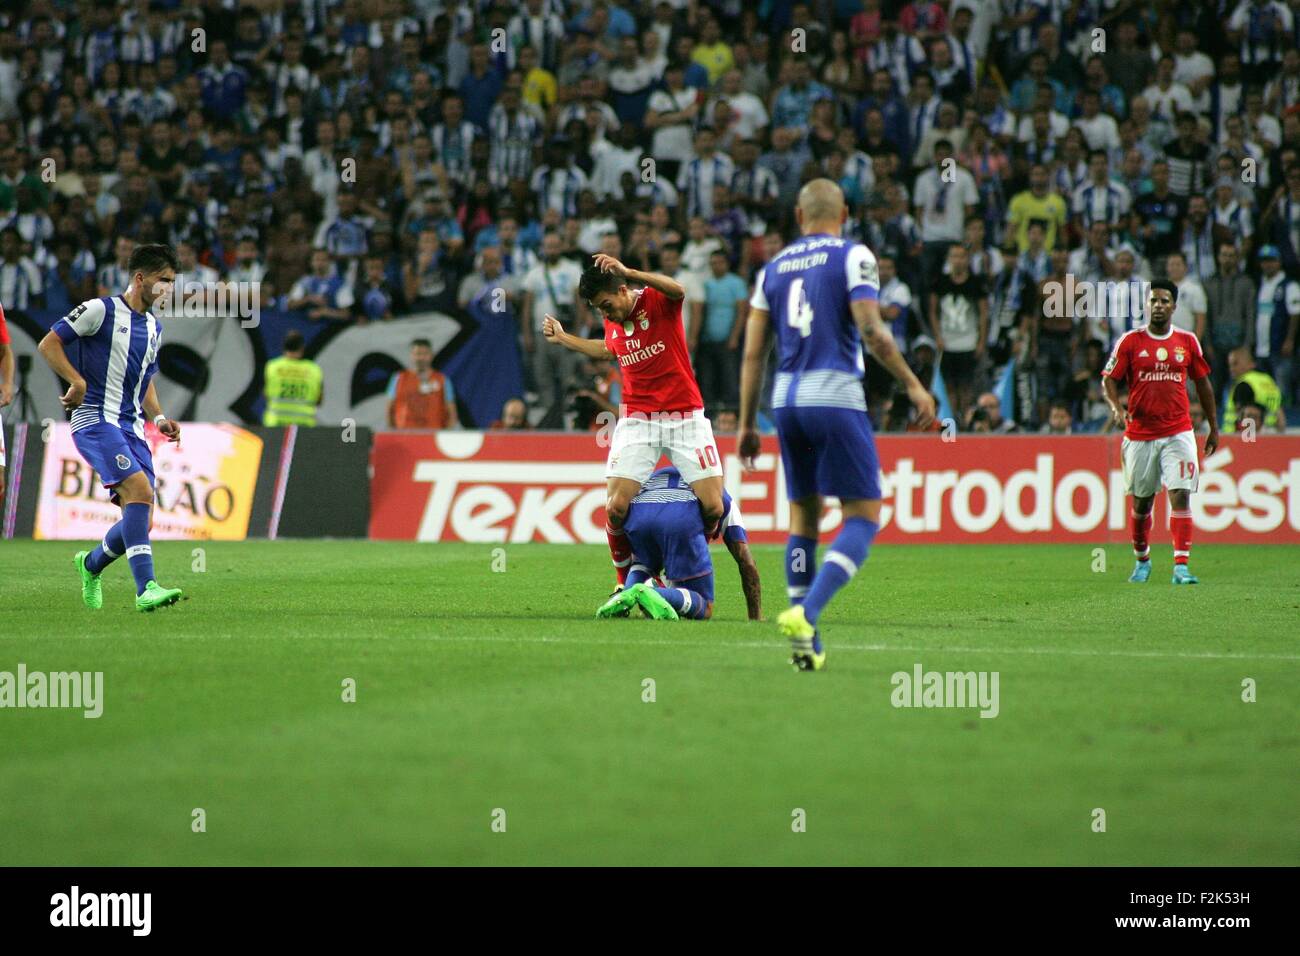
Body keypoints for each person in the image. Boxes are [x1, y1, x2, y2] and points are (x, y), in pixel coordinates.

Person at [737, 179, 936, 671]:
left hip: (785, 400)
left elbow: (751, 354)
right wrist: (912, 383)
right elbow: (871, 329)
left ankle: (805, 639)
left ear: (799, 217)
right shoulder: (854, 256)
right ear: (843, 212)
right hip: (836, 396)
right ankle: (806, 611)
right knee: (864, 515)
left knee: (803, 517)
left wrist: (745, 422)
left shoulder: (772, 270)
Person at [543, 253, 726, 588]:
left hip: (684, 416)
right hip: (638, 419)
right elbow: (608, 349)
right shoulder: (613, 318)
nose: (604, 312)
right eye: (598, 307)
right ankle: (625, 579)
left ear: (625, 289)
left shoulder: (656, 301)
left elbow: (678, 289)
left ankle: (685, 552)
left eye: (606, 304)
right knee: (615, 507)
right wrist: (563, 337)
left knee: (714, 507)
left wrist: (631, 271)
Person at [36, 243, 184, 612]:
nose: (169, 288)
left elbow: (145, 378)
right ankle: (146, 588)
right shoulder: (99, 310)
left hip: (132, 427)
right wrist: (76, 381)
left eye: (173, 282)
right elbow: (48, 344)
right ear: (140, 278)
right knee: (137, 488)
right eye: (163, 280)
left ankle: (90, 565)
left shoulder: (154, 328)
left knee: (142, 518)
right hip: (95, 419)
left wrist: (160, 418)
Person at [1102, 279, 1220, 585]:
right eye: (1153, 300)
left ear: (1174, 306)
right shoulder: (1130, 341)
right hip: (1140, 434)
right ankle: (1142, 560)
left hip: (1178, 431)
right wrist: (1116, 408)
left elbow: (1203, 384)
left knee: (1180, 494)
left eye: (1164, 301)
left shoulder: (1187, 341)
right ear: (1146, 304)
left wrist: (1213, 427)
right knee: (1142, 503)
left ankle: (1181, 566)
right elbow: (1108, 380)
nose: (1158, 306)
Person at [595, 466, 761, 622]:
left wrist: (622, 579)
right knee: (704, 605)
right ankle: (652, 591)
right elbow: (746, 561)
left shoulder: (651, 480)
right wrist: (756, 616)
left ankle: (626, 593)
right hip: (681, 523)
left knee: (644, 562)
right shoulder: (720, 497)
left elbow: (613, 525)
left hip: (640, 517)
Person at [387, 338, 457, 429]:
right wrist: (394, 433)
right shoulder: (398, 379)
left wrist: (443, 437)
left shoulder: (443, 380)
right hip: (404, 436)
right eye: (417, 354)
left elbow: (452, 414)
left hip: (432, 437)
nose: (421, 358)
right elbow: (389, 410)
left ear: (431, 355)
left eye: (425, 354)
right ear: (411, 355)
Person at [263, 330, 322, 427]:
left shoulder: (272, 367)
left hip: (275, 424)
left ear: (284, 347)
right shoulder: (314, 369)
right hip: (304, 426)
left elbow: (266, 394)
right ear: (302, 348)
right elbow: (319, 399)